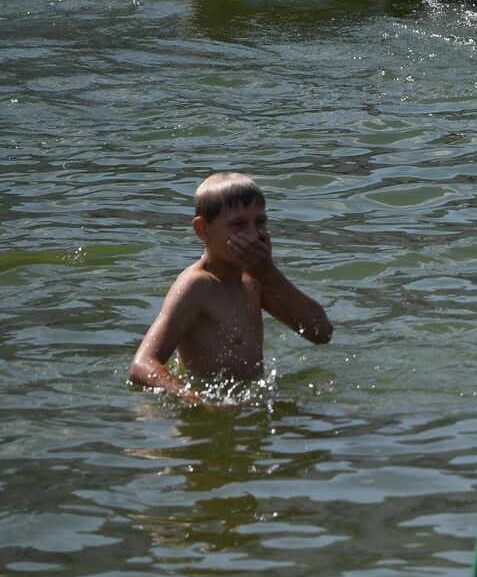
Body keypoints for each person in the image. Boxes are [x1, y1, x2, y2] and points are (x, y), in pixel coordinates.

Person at [130, 172, 333, 405]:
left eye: (260, 222)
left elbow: (321, 332)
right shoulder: (196, 286)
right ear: (202, 230)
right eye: (238, 224)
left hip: (250, 400)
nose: (253, 234)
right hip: (210, 404)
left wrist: (270, 273)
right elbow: (142, 365)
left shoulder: (255, 279)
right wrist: (197, 402)